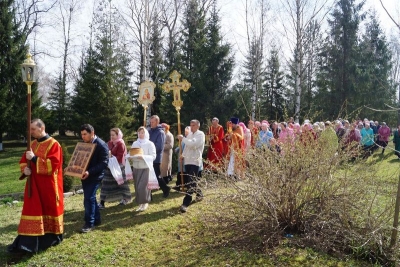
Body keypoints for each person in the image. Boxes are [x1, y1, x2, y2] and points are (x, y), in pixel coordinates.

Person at [7, 119, 64, 253]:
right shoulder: (32, 144)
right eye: (30, 129)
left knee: (47, 209)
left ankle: (49, 238)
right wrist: (25, 170)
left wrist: (34, 159)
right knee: (32, 210)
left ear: (41, 128)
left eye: (33, 129)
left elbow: (52, 166)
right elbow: (23, 161)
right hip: (33, 185)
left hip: (48, 187)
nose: (30, 132)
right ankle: (29, 242)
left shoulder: (54, 145)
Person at [80, 124, 109, 233]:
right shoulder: (84, 144)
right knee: (90, 198)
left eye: (85, 134)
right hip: (84, 176)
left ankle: (89, 223)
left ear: (92, 133)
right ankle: (97, 219)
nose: (83, 137)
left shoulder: (101, 145)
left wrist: (89, 171)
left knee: (88, 198)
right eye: (81, 134)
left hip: (95, 176)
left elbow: (104, 163)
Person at [99, 128, 132, 209]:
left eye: (113, 135)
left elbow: (120, 157)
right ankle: (102, 203)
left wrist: (111, 157)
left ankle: (125, 198)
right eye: (111, 135)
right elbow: (105, 151)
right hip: (109, 167)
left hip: (119, 167)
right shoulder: (110, 143)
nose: (112, 137)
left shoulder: (121, 144)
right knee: (105, 183)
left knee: (121, 184)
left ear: (118, 135)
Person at [177, 120, 205, 212]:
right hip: (188, 161)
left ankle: (185, 203)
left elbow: (193, 144)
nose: (191, 127)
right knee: (192, 181)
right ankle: (199, 194)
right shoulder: (189, 135)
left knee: (190, 182)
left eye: (193, 125)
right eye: (191, 125)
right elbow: (186, 147)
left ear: (198, 126)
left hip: (195, 160)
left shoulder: (200, 134)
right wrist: (182, 155)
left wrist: (183, 139)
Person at [130, 127, 157, 211]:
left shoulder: (150, 144)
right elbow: (131, 153)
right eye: (139, 133)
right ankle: (140, 204)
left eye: (142, 133)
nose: (140, 134)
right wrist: (130, 157)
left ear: (146, 134)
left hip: (145, 167)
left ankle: (145, 202)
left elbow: (153, 156)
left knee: (143, 186)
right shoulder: (135, 143)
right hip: (136, 167)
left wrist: (143, 157)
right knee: (137, 186)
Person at [148, 115, 170, 197]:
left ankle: (165, 188)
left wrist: (149, 152)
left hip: (155, 158)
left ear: (157, 122)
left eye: (152, 122)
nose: (151, 123)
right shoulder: (149, 131)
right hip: (147, 158)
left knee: (156, 176)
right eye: (150, 122)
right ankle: (148, 194)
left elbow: (159, 147)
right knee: (148, 176)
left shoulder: (160, 133)